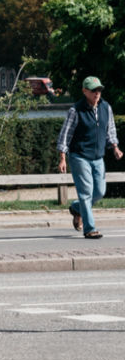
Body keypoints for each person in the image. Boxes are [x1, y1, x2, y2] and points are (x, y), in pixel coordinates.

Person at [57, 76, 121, 239]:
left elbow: (110, 130)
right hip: (79, 156)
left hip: (98, 156)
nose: (97, 93)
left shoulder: (106, 107)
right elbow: (65, 135)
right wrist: (62, 157)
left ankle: (77, 208)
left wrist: (115, 147)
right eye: (93, 90)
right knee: (85, 192)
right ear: (85, 91)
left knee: (99, 191)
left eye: (99, 90)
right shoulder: (75, 110)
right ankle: (89, 228)